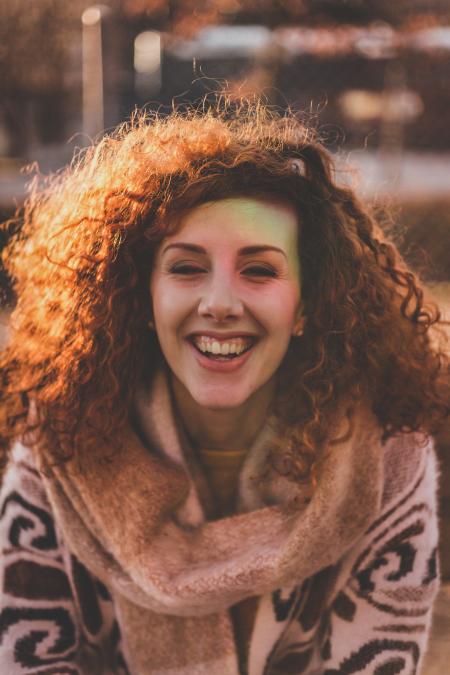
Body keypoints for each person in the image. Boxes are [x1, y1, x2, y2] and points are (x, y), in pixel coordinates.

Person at [0, 102, 447, 675]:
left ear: (308, 304)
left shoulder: (388, 463)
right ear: (142, 295)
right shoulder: (56, 445)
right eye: (186, 268)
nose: (219, 304)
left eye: (259, 270)